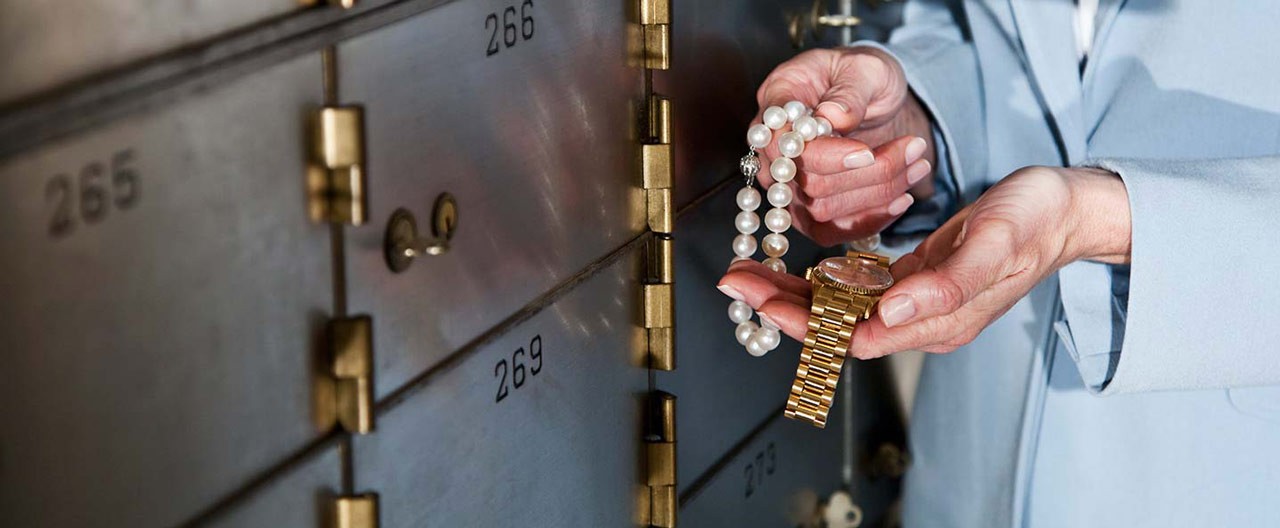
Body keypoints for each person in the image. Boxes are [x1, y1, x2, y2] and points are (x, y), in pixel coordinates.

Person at [717, 1, 1280, 526]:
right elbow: (968, 25)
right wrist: (915, 131)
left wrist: (1101, 217)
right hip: (970, 460)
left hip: (1211, 471)